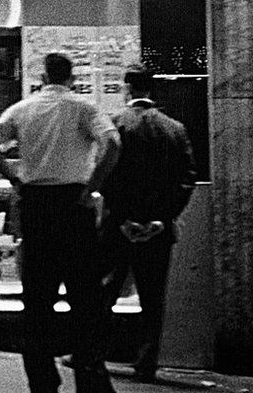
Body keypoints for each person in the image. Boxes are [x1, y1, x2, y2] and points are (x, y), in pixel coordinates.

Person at [0, 53, 121, 393]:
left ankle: (43, 382)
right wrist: (92, 187)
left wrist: (14, 176)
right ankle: (89, 377)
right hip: (73, 207)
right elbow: (112, 143)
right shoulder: (83, 108)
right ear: (71, 77)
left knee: (38, 302)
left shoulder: (23, 109)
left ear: (42, 76)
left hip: (36, 206)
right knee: (85, 298)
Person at [98, 65, 198, 383]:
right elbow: (187, 179)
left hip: (119, 227)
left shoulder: (115, 126)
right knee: (152, 300)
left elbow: (107, 174)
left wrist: (124, 218)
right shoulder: (175, 129)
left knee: (104, 292)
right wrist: (162, 218)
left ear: (127, 88)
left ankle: (93, 352)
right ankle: (146, 363)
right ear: (151, 90)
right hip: (158, 229)